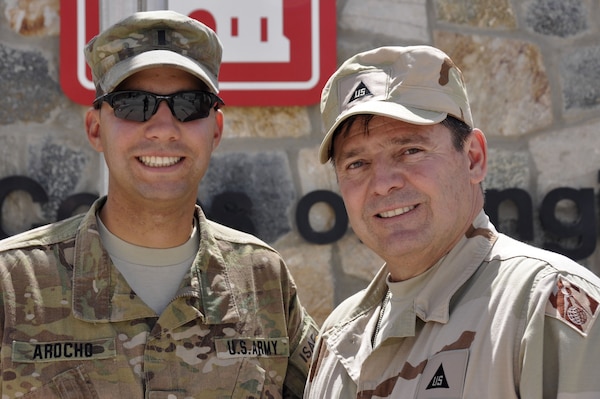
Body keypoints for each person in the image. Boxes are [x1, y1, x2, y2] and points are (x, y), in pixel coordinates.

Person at [0, 10, 318, 398]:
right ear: (96, 129)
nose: (164, 128)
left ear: (215, 131)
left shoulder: (263, 280)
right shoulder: (13, 284)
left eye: (190, 105)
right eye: (134, 104)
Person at [303, 45, 600, 398]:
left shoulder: (540, 306)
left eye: (411, 151)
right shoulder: (339, 335)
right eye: (357, 164)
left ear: (473, 158)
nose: (383, 183)